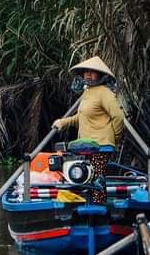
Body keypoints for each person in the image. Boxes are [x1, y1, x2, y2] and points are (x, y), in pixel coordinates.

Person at [51, 56, 124, 203]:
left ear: (100, 75)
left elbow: (118, 117)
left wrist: (114, 138)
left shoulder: (105, 92)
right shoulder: (87, 93)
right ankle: (88, 209)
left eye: (93, 72)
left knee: (97, 179)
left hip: (101, 145)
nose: (89, 74)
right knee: (85, 176)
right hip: (86, 145)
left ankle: (99, 212)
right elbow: (81, 117)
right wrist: (63, 122)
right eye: (86, 72)